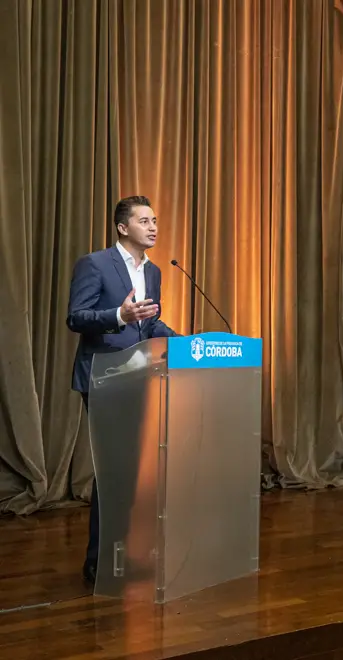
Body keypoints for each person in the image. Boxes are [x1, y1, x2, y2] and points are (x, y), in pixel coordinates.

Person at [66, 195, 178, 585]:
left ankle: (125, 555)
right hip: (103, 377)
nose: (153, 227)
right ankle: (99, 561)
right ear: (122, 227)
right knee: (113, 469)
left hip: (139, 376)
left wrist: (186, 342)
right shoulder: (95, 264)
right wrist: (118, 315)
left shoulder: (154, 271)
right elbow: (76, 317)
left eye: (155, 220)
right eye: (144, 221)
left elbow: (149, 325)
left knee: (132, 470)